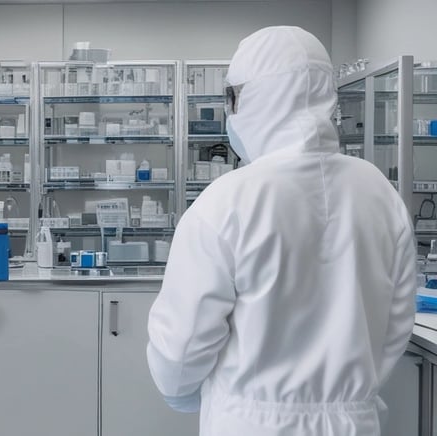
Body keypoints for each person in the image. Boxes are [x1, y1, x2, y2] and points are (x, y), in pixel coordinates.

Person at [147, 26, 415, 435]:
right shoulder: (379, 192)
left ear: (255, 98)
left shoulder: (227, 202)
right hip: (354, 422)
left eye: (233, 99)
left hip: (251, 424)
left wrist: (188, 397)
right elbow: (396, 326)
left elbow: (181, 349)